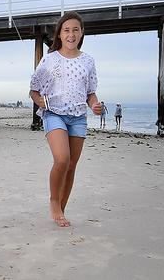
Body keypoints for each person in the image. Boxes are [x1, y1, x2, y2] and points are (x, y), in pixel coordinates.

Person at [29, 11, 102, 227]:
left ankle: (62, 209)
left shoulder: (88, 61)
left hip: (78, 117)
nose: (71, 34)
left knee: (71, 166)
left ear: (81, 33)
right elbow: (33, 90)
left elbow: (90, 93)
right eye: (66, 30)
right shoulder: (50, 60)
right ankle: (54, 201)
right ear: (59, 34)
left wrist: (95, 105)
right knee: (62, 159)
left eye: (75, 30)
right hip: (54, 114)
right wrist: (40, 101)